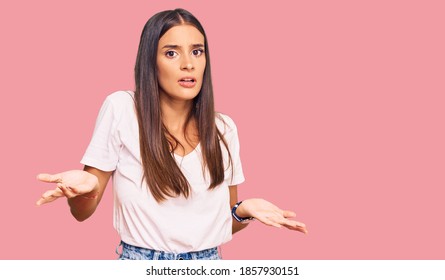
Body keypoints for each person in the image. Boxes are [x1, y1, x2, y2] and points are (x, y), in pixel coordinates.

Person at [36, 8, 307, 260]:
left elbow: (221, 223)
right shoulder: (122, 109)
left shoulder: (223, 129)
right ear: (150, 62)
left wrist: (245, 211)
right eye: (171, 53)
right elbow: (82, 214)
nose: (188, 64)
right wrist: (84, 190)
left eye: (197, 52)